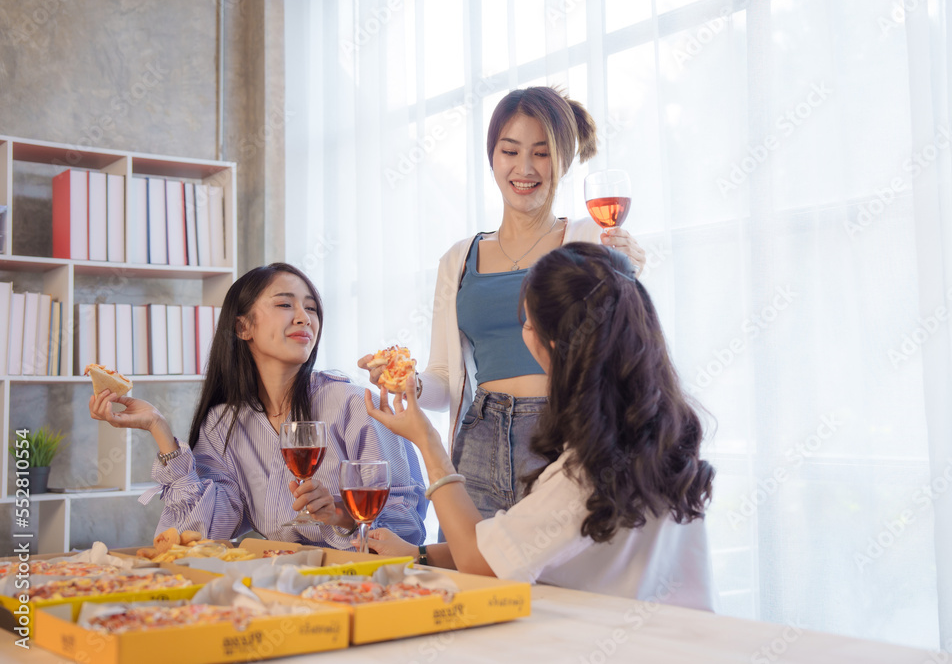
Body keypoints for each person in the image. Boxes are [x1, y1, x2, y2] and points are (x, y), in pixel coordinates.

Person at [362, 243, 715, 609]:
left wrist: (427, 440)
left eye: (527, 323)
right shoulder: (665, 437)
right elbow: (524, 543)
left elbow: (479, 562)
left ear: (557, 347)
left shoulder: (584, 474)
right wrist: (417, 554)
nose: (523, 333)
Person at [360, 86, 647, 519]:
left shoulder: (591, 238)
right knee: (469, 575)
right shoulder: (458, 259)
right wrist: (411, 385)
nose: (524, 168)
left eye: (542, 153)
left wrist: (631, 272)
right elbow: (445, 378)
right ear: (492, 157)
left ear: (564, 160)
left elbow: (623, 344)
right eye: (509, 151)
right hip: (479, 439)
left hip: (564, 437)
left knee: (555, 580)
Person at [89, 263, 427, 547]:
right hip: (278, 586)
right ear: (243, 327)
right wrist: (159, 430)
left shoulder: (354, 404)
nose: (303, 318)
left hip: (356, 585)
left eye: (311, 308)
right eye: (285, 305)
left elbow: (406, 526)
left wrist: (343, 516)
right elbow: (201, 534)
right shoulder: (225, 423)